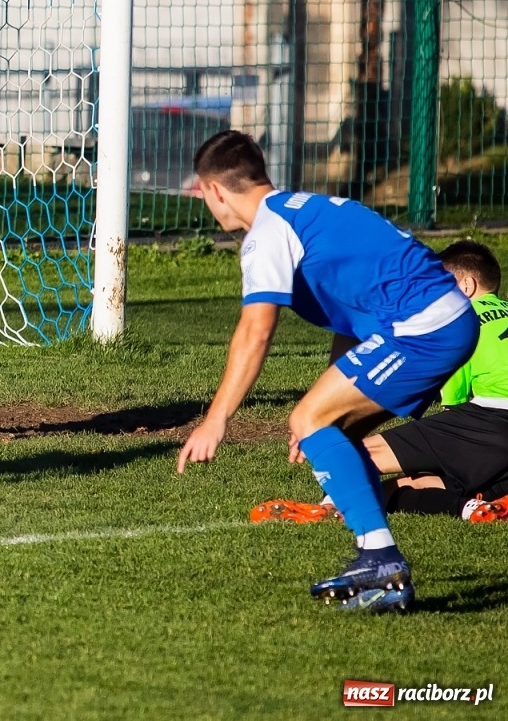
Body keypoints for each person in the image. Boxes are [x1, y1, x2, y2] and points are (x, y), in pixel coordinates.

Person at [176, 130, 480, 612]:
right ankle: (377, 564)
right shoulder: (307, 210)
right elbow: (351, 318)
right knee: (329, 427)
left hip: (423, 327)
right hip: (442, 320)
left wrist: (217, 418)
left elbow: (255, 331)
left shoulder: (267, 234)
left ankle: (381, 556)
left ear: (214, 189)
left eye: (202, 194)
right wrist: (326, 400)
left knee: (308, 421)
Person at [252, 239, 508, 524]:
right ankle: (471, 507)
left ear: (466, 286)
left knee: (355, 453)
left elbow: (454, 405)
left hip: (493, 416)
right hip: (496, 438)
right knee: (401, 487)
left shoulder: (461, 321)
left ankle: (326, 509)